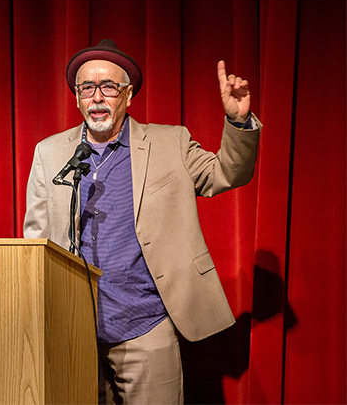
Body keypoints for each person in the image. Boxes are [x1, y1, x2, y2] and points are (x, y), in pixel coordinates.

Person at [23, 39, 262, 404]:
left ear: (128, 95)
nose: (97, 97)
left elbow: (227, 173)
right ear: (76, 97)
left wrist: (238, 120)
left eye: (109, 87)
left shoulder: (171, 142)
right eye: (87, 87)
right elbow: (36, 241)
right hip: (73, 329)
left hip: (145, 326)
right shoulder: (50, 152)